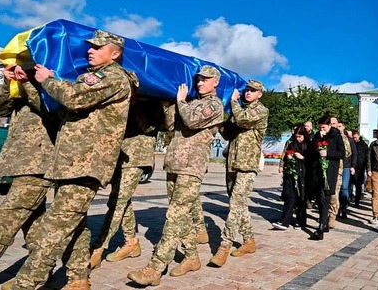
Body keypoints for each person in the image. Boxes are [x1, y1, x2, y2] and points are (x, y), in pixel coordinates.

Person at [11, 30, 137, 290]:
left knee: (54, 227)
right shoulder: (90, 78)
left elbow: (74, 97)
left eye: (98, 47)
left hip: (86, 164)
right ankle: (79, 279)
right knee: (74, 225)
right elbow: (58, 106)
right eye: (89, 47)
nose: (90, 50)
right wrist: (29, 82)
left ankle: (26, 282)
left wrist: (48, 79)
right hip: (72, 163)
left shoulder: (112, 77)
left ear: (115, 54)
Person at [128, 66, 224, 286]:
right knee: (181, 216)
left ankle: (155, 268)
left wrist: (180, 101)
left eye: (205, 80)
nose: (200, 83)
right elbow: (171, 126)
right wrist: (169, 104)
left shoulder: (215, 105)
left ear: (215, 83)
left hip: (192, 167)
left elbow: (190, 121)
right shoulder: (189, 103)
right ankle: (191, 257)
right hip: (174, 164)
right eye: (198, 79)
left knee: (174, 216)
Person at [89, 98, 163, 269]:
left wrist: (134, 104)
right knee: (123, 201)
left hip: (137, 157)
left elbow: (149, 128)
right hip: (120, 155)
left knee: (117, 202)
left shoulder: (152, 102)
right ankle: (131, 242)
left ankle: (99, 247)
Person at [0, 64, 58, 261]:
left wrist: (28, 83)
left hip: (38, 164)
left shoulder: (51, 83)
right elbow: (1, 108)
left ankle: (40, 272)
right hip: (20, 163)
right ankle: (39, 271)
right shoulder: (22, 90)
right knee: (34, 224)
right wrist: (8, 82)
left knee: (6, 219)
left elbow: (49, 109)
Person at [209, 80, 268, 265]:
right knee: (239, 205)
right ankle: (249, 240)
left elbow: (243, 119)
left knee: (235, 205)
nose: (248, 93)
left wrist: (233, 102)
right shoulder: (238, 110)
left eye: (252, 91)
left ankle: (224, 246)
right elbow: (227, 133)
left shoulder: (260, 110)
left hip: (247, 166)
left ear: (260, 94)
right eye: (246, 90)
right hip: (232, 164)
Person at [306, 115, 345, 240]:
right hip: (317, 172)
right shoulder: (318, 135)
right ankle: (324, 223)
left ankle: (321, 229)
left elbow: (342, 153)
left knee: (325, 199)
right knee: (320, 199)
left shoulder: (336, 136)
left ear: (329, 126)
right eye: (320, 127)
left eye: (323, 127)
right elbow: (310, 150)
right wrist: (318, 142)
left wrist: (328, 153)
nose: (321, 129)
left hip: (330, 173)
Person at [272, 128, 307, 230]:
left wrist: (302, 158)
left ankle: (300, 221)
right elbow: (285, 154)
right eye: (296, 136)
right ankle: (284, 221)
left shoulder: (308, 146)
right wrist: (287, 161)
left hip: (303, 175)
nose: (298, 139)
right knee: (289, 197)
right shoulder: (291, 144)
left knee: (301, 198)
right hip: (291, 174)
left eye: (300, 136)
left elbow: (312, 161)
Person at [336, 123, 357, 220]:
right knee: (336, 189)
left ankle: (344, 208)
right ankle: (335, 209)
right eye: (337, 126)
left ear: (343, 127)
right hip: (336, 166)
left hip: (346, 166)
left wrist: (353, 166)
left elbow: (354, 153)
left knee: (344, 187)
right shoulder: (334, 138)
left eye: (340, 126)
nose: (338, 128)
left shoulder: (349, 139)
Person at [351, 131, 369, 209]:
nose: (354, 139)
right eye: (353, 137)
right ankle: (350, 198)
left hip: (360, 168)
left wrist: (365, 166)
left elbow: (366, 156)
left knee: (358, 185)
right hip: (352, 166)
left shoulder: (363, 145)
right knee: (350, 184)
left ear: (358, 136)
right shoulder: (352, 144)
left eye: (355, 137)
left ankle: (357, 201)